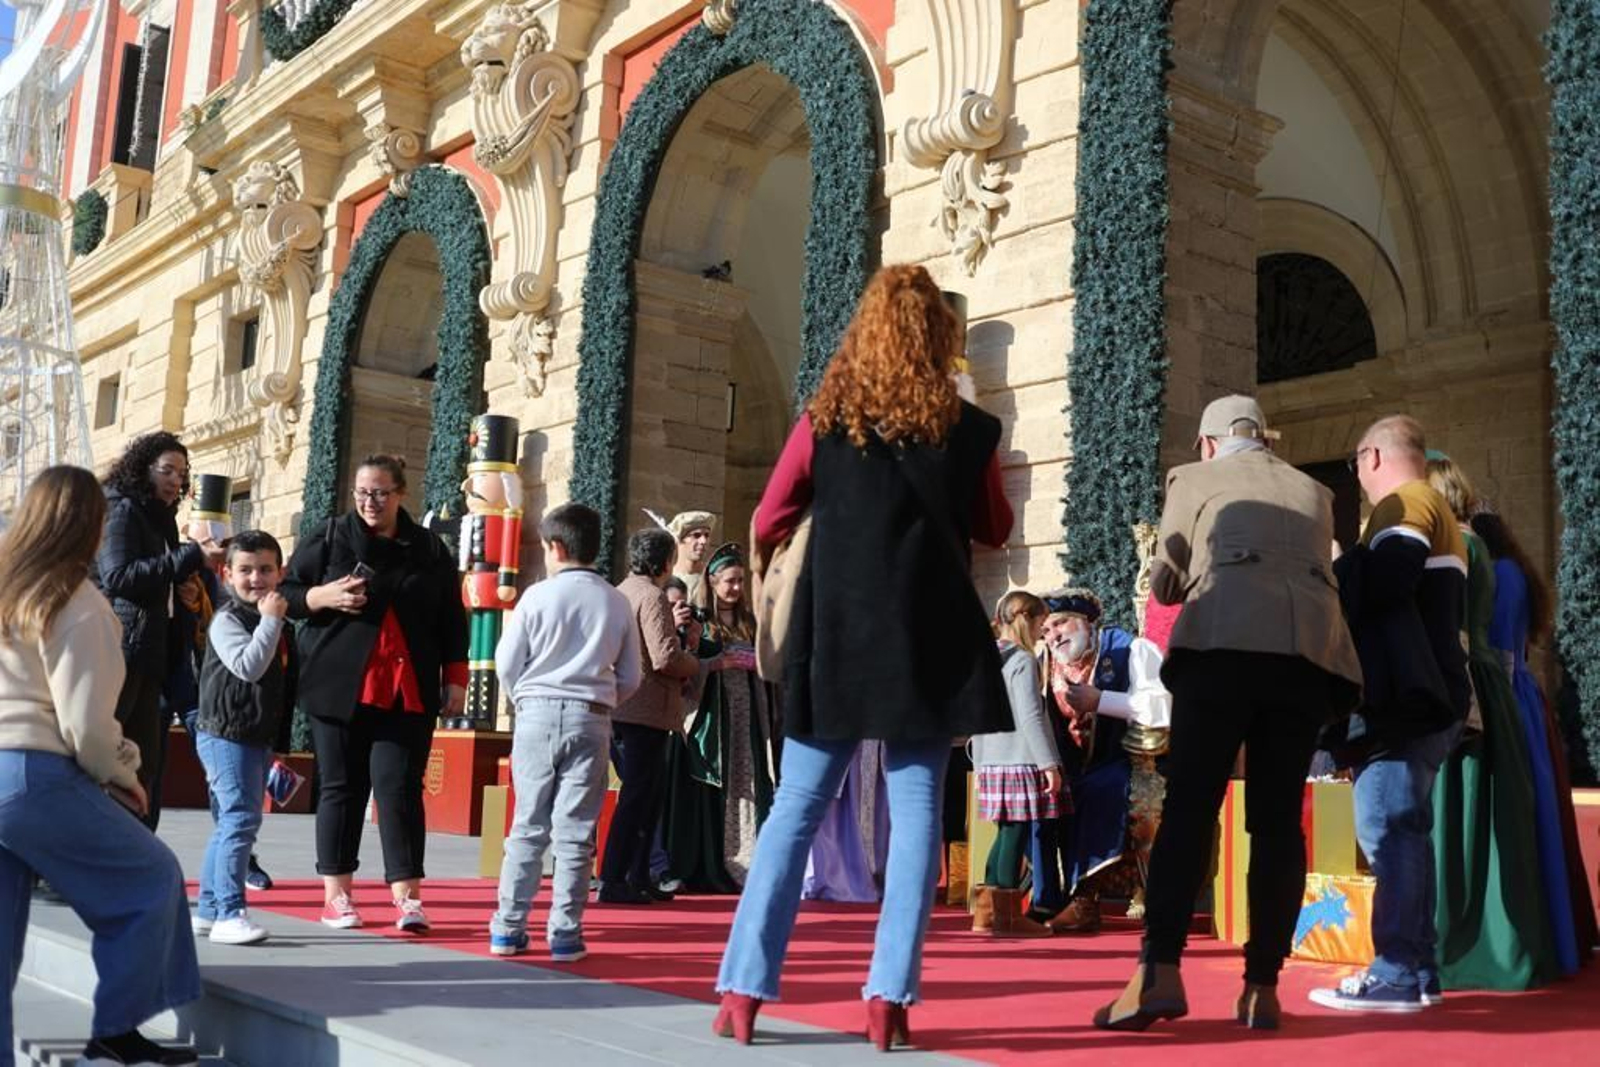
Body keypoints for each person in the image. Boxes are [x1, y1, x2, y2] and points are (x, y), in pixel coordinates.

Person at [712, 264, 1014, 1050]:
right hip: (932, 639)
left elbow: (773, 509)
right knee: (915, 817)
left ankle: (744, 990)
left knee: (796, 810)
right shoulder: (969, 427)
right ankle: (889, 998)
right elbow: (996, 528)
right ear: (941, 339)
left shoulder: (826, 419)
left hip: (839, 635)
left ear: (866, 331)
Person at [1093, 394, 1362, 1031]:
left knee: (1190, 806)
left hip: (1223, 653)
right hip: (1304, 660)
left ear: (1209, 443)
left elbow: (1164, 581)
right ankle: (1262, 988)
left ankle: (1158, 971)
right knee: (1276, 825)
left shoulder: (1194, 478)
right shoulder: (1313, 491)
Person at [0, 466, 201, 1066]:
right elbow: (86, 725)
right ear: (92, 524)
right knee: (151, 879)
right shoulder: (79, 602)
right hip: (33, 773)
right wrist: (123, 773)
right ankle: (117, 1027)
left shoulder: (8, 589)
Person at [1310, 415, 1470, 1013]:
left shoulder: (1404, 502)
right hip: (1433, 695)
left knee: (1387, 829)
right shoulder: (1437, 507)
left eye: (1356, 462)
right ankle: (1418, 968)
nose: (1358, 474)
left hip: (1406, 700)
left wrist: (1336, 563)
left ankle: (1397, 970)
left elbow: (1390, 579)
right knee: (1405, 830)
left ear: (1372, 456)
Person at [281, 455, 468, 932]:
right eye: (363, 492)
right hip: (339, 684)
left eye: (381, 492)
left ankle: (407, 898)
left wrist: (456, 677)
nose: (370, 501)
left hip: (407, 687)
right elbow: (287, 591)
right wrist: (323, 597)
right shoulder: (330, 536)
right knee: (341, 788)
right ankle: (338, 896)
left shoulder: (427, 547)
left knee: (400, 790)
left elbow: (451, 614)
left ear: (401, 494)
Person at [1423, 458, 1560, 992]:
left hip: (1465, 693)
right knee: (1488, 821)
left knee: (1462, 818)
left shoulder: (1455, 549)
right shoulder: (1478, 549)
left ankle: (1461, 943)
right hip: (1493, 691)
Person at [488, 504, 641, 962]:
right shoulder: (616, 601)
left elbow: (506, 662)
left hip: (535, 712)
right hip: (590, 715)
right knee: (576, 832)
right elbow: (631, 675)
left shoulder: (536, 596)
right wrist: (604, 700)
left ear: (555, 547)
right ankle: (565, 932)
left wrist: (524, 698)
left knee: (527, 826)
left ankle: (508, 926)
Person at [1472, 510, 1600, 961]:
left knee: (1528, 815)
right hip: (1521, 699)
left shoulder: (1503, 574)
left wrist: (1494, 710)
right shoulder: (1514, 570)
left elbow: (1504, 650)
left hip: (1511, 701)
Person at [92, 432, 226, 827]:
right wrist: (189, 556)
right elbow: (119, 577)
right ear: (142, 467)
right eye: (167, 470)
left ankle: (133, 857)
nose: (175, 480)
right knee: (109, 761)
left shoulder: (161, 517)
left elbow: (157, 583)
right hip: (122, 653)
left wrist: (187, 587)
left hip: (154, 655)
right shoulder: (121, 510)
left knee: (144, 766)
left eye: (182, 473)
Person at [191, 531, 295, 947]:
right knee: (239, 820)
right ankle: (230, 914)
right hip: (226, 734)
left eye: (266, 569)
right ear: (227, 573)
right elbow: (248, 667)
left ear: (280, 573)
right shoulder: (228, 619)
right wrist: (271, 621)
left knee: (231, 823)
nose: (257, 578)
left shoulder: (264, 617)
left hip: (248, 734)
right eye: (246, 570)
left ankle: (210, 909)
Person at [600, 527, 704, 905]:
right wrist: (695, 661)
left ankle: (637, 876)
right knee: (639, 798)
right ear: (665, 562)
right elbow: (665, 657)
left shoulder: (619, 592)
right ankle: (615, 878)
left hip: (620, 708)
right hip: (646, 711)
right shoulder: (653, 596)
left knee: (644, 797)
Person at [664, 543, 776, 891]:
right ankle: (715, 864)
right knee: (718, 788)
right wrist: (714, 663)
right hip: (715, 719)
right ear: (712, 582)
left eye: (741, 581)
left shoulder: (750, 623)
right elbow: (683, 666)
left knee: (755, 785)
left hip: (750, 719)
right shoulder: (699, 621)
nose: (737, 588)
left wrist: (760, 663)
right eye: (730, 581)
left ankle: (753, 862)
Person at [1032, 589, 1137, 931]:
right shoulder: (1043, 664)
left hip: (1122, 758)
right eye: (1045, 630)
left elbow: (1164, 707)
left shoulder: (1126, 649)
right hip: (1068, 765)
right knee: (1039, 793)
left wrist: (1102, 700)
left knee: (1098, 789)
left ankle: (1084, 900)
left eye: (1061, 624)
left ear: (1087, 623)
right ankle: (1046, 899)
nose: (1053, 636)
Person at [971, 591, 1062, 939]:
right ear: (1026, 618)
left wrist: (979, 768)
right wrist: (1049, 764)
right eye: (1041, 623)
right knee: (1015, 832)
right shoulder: (1023, 660)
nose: (1043, 631)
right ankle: (1008, 917)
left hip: (992, 759)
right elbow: (1030, 717)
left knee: (1004, 832)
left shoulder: (988, 657)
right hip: (1020, 759)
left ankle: (985, 914)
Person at [669, 511, 717, 602]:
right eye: (696, 535)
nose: (703, 541)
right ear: (680, 540)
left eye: (707, 535)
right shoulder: (666, 579)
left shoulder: (713, 580)